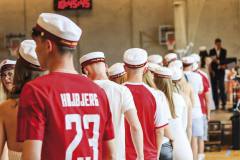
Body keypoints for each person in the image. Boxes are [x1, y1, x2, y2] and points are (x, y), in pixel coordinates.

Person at [16, 13, 115, 160]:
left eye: (37, 44)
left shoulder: (36, 90)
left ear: (48, 45)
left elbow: (32, 156)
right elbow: (111, 154)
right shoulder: (98, 92)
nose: (36, 51)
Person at [79, 52, 144, 160]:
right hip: (116, 155)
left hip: (90, 155)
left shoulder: (80, 92)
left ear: (85, 70)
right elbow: (135, 127)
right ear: (106, 67)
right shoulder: (121, 91)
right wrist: (140, 156)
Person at [0, 40, 44, 160]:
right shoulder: (57, 100)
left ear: (18, 71)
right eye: (3, 75)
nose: (7, 78)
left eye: (10, 74)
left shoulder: (7, 108)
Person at [123, 48, 168, 160]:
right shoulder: (156, 95)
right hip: (148, 156)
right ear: (145, 69)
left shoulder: (117, 92)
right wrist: (156, 156)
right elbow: (160, 131)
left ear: (124, 68)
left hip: (122, 155)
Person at [154, 66, 193, 160]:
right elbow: (184, 125)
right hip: (182, 146)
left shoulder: (154, 98)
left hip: (164, 146)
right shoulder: (179, 98)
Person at [182, 56, 204, 160]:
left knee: (185, 139)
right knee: (194, 138)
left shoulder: (178, 76)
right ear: (192, 65)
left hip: (183, 110)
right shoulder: (197, 76)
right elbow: (200, 90)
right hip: (196, 109)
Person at [191, 54, 211, 160]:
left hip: (195, 110)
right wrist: (209, 113)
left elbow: (207, 97)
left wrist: (208, 112)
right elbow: (208, 97)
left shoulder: (185, 76)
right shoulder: (202, 76)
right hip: (200, 111)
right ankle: (199, 157)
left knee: (194, 138)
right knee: (200, 138)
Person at [209, 38, 227, 110]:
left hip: (221, 72)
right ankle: (216, 104)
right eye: (217, 44)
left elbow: (224, 60)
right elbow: (211, 61)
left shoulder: (224, 51)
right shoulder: (211, 51)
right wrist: (211, 71)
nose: (219, 45)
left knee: (222, 87)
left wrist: (222, 65)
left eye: (220, 44)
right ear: (215, 44)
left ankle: (224, 104)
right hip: (213, 72)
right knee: (214, 88)